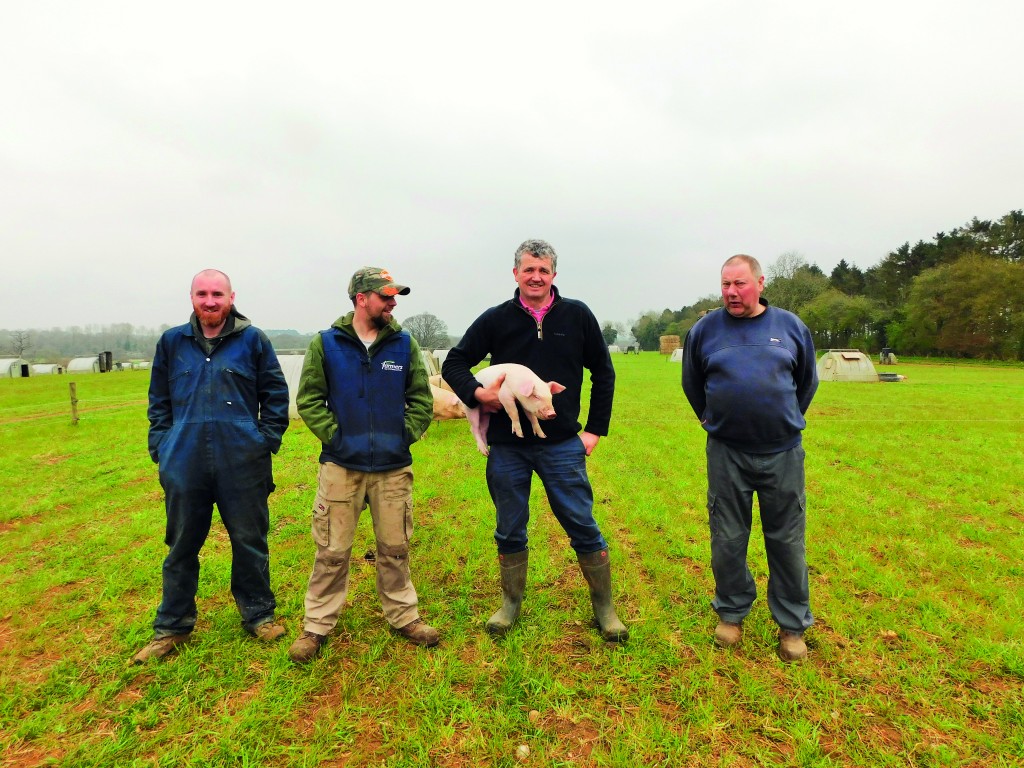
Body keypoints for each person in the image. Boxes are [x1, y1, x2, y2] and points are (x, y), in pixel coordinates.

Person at [442, 239, 628, 642]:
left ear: (554, 275)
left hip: (562, 444)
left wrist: (594, 430)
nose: (536, 276)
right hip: (507, 446)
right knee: (510, 527)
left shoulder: (577, 316)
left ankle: (605, 608)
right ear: (515, 274)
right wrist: (477, 394)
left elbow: (604, 372)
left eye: (543, 270)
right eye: (528, 269)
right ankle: (510, 604)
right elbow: (455, 362)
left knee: (582, 523)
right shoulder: (496, 319)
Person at [133, 269, 290, 664]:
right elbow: (159, 402)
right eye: (202, 294)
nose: (210, 301)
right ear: (191, 298)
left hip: (243, 462)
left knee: (249, 540)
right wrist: (163, 446)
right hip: (184, 461)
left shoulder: (253, 341)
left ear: (231, 297)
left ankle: (258, 615)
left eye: (217, 294)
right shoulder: (172, 343)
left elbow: (275, 395)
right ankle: (173, 626)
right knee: (181, 544)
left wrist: (263, 442)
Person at [288, 266, 438, 663]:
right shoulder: (326, 344)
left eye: (394, 298)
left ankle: (404, 616)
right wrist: (337, 438)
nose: (392, 304)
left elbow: (422, 399)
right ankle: (316, 626)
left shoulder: (404, 344)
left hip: (392, 468)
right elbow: (309, 400)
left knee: (394, 547)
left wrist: (403, 434)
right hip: (341, 467)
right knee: (332, 551)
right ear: (361, 299)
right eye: (385, 296)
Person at [682, 254, 818, 661]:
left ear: (760, 283)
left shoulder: (790, 327)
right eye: (725, 284)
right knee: (727, 537)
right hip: (727, 454)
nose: (731, 292)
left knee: (787, 541)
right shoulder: (705, 330)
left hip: (782, 453)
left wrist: (782, 417)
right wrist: (716, 419)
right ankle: (731, 614)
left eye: (739, 284)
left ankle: (792, 626)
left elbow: (806, 382)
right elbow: (693, 384)